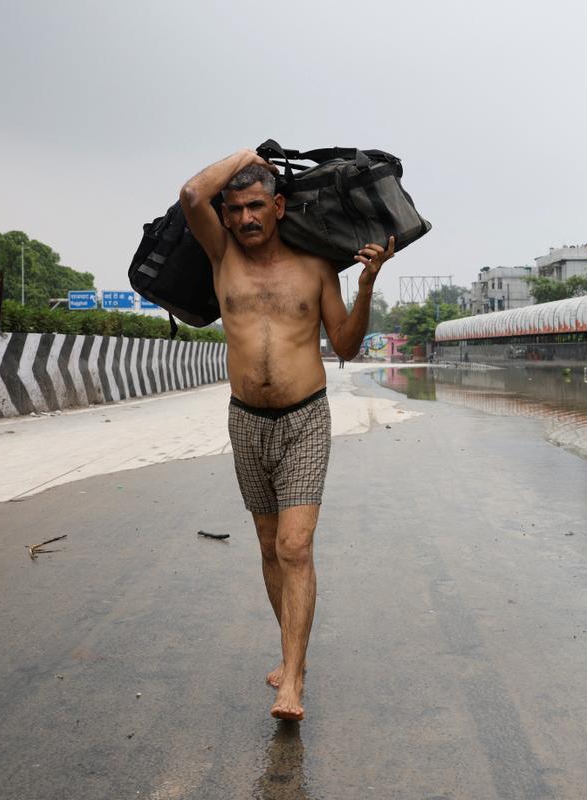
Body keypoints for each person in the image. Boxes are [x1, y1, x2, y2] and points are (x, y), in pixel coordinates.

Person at [180, 149, 394, 721]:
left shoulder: (316, 267)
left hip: (304, 419)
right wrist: (249, 153)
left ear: (278, 207)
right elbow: (192, 195)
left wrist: (368, 283)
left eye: (256, 206)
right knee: (269, 548)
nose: (246, 218)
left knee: (294, 548)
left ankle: (292, 681)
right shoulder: (221, 255)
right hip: (246, 421)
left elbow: (346, 347)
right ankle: (290, 654)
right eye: (237, 209)